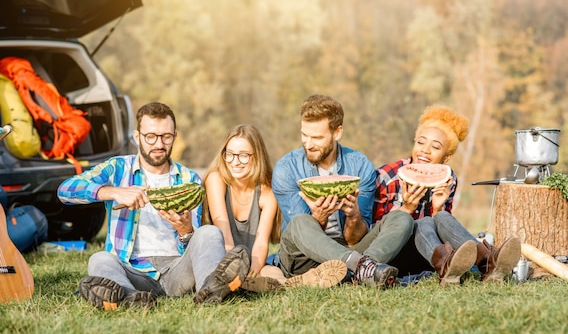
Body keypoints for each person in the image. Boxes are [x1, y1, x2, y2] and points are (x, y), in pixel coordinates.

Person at [57, 102, 250, 310]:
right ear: (137, 136)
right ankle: (130, 298)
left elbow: (193, 243)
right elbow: (65, 190)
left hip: (177, 271)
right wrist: (113, 191)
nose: (159, 144)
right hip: (132, 271)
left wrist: (185, 231)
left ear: (174, 136)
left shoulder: (189, 178)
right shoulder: (118, 169)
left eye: (166, 136)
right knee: (99, 259)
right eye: (150, 136)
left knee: (210, 233)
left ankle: (210, 290)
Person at [272, 94, 414, 289]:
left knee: (402, 219)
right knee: (300, 221)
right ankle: (362, 268)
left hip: (349, 249)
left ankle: (360, 272)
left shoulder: (360, 165)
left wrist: (354, 216)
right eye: (304, 135)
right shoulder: (286, 169)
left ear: (337, 132)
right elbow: (300, 235)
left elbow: (354, 239)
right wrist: (319, 217)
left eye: (317, 137)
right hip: (302, 261)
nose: (308, 143)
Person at [374, 105, 521, 285]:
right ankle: (476, 262)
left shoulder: (448, 178)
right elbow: (376, 233)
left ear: (447, 157)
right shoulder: (387, 176)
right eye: (420, 142)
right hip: (392, 257)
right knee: (424, 221)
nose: (425, 150)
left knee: (440, 216)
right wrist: (406, 209)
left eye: (435, 147)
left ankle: (486, 261)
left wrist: (437, 209)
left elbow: (443, 228)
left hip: (427, 256)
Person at [202, 124, 346, 291]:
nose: (235, 162)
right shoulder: (216, 179)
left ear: (257, 157)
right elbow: (225, 235)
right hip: (222, 261)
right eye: (230, 154)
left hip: (252, 261)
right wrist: (236, 272)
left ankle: (295, 283)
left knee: (271, 271)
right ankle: (244, 284)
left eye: (243, 156)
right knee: (240, 272)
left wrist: (250, 274)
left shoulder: (267, 192)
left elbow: (262, 243)